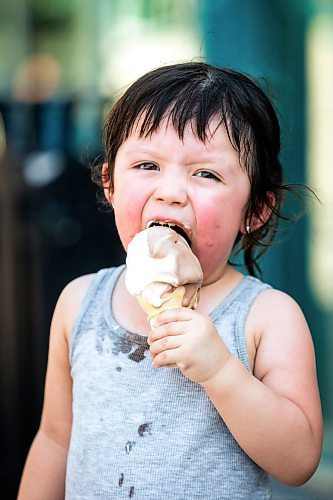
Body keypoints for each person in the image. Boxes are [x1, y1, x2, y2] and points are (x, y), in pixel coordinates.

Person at [18, 62, 322, 499]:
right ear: (110, 184)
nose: (171, 191)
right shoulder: (79, 301)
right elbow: (54, 440)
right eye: (147, 165)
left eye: (206, 174)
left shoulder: (266, 318)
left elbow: (299, 461)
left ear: (255, 210)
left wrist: (221, 372)